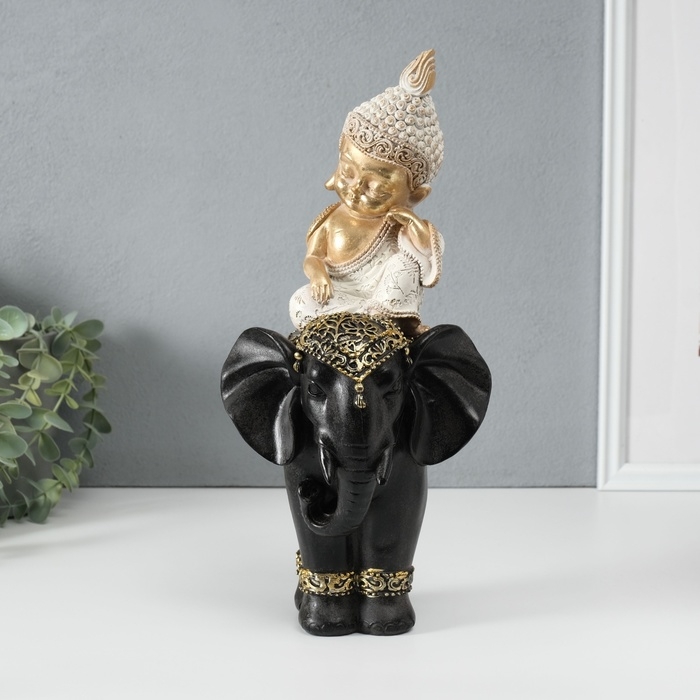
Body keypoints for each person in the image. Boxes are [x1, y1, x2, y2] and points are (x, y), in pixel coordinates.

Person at [289, 50, 445, 337]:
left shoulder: (397, 226)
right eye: (348, 172)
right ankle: (363, 322)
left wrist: (412, 222)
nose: (356, 188)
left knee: (404, 264)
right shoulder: (332, 219)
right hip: (339, 297)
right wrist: (319, 274)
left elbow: (427, 255)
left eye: (375, 186)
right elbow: (313, 258)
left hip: (384, 302)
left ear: (415, 196)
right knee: (300, 301)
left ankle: (389, 321)